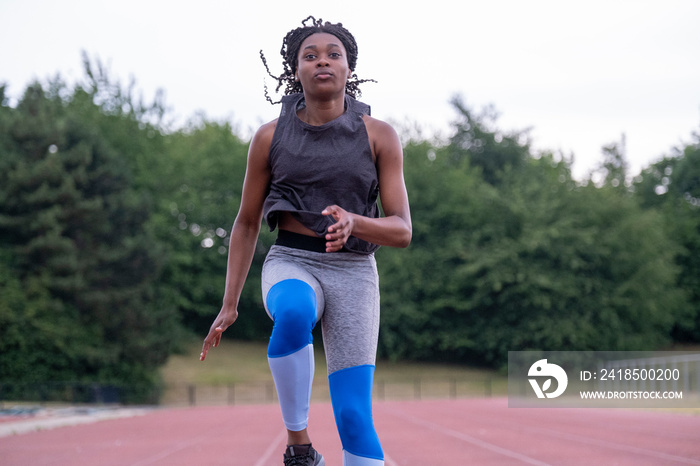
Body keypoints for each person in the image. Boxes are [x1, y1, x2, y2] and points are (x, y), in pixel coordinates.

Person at [200, 16, 412, 466]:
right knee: (294, 311)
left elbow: (402, 229)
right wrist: (229, 303)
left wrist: (356, 223)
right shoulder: (269, 137)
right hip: (292, 260)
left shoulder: (379, 136)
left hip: (355, 272)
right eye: (310, 55)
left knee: (354, 416)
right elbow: (246, 222)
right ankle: (299, 446)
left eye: (334, 55)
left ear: (349, 69)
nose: (322, 61)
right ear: (294, 69)